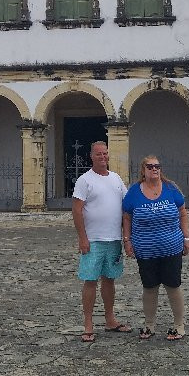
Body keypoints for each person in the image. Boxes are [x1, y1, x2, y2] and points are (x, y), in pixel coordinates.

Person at [123, 155, 189, 341]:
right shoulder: (134, 192)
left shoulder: (171, 188)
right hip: (146, 250)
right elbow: (127, 217)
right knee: (150, 287)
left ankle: (179, 325)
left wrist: (187, 237)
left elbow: (183, 214)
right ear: (143, 170)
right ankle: (149, 325)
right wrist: (127, 241)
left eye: (157, 166)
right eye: (150, 166)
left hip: (171, 248)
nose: (155, 169)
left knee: (173, 285)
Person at [72, 141, 132, 343]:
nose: (103, 157)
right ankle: (88, 323)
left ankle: (110, 319)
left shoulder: (115, 178)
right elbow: (77, 210)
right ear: (91, 156)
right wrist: (82, 238)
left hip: (113, 239)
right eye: (99, 154)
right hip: (94, 240)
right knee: (90, 280)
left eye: (105, 154)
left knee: (109, 280)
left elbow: (127, 204)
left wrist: (126, 236)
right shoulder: (85, 180)